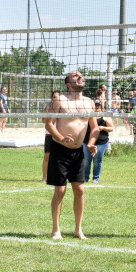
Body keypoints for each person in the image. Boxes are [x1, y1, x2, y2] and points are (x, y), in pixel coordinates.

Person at [45, 70, 99, 240]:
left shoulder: (89, 102)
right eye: (76, 76)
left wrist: (91, 143)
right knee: (60, 190)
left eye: (81, 75)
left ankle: (78, 230)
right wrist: (61, 138)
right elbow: (49, 124)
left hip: (78, 152)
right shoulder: (60, 99)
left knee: (80, 189)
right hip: (60, 149)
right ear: (68, 83)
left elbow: (95, 127)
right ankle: (56, 230)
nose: (81, 77)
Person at [83, 99, 113, 184]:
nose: (96, 107)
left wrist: (102, 128)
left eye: (98, 105)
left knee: (97, 160)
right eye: (95, 105)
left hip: (101, 142)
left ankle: (96, 178)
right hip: (87, 142)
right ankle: (85, 177)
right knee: (86, 160)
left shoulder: (105, 116)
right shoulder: (88, 115)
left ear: (101, 106)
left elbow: (111, 128)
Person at [41, 90, 60, 183]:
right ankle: (44, 177)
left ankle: (58, 176)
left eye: (57, 97)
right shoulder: (48, 108)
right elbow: (43, 120)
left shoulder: (63, 108)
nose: (56, 99)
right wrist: (50, 116)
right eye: (54, 97)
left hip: (60, 134)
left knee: (60, 157)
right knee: (47, 157)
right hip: (49, 134)